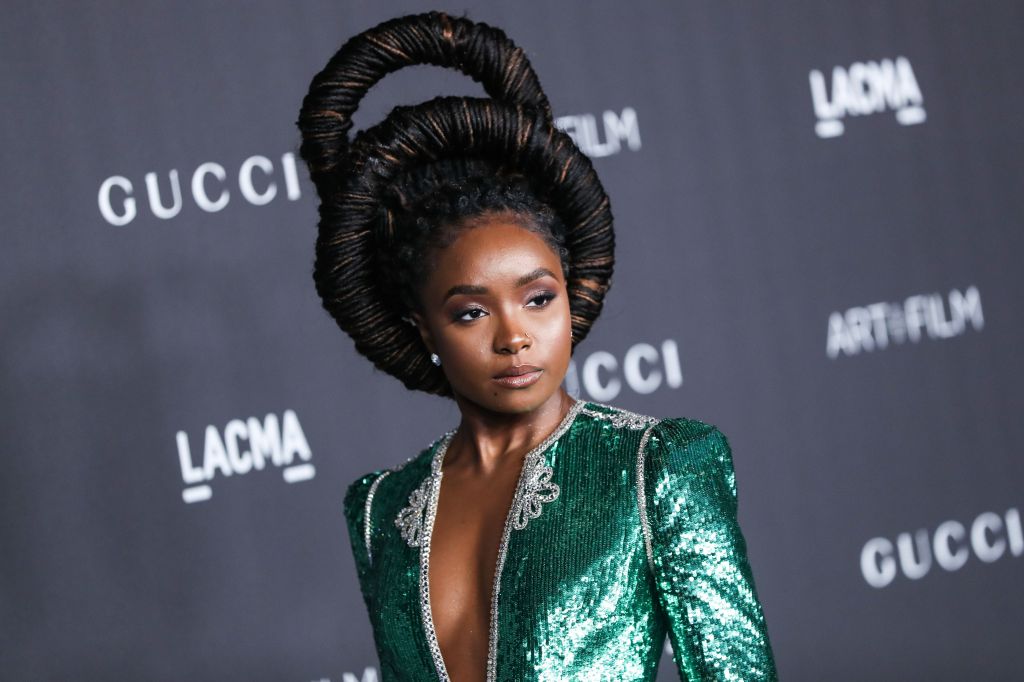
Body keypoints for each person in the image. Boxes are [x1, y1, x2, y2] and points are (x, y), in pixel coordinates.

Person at [296, 11, 778, 682]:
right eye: (470, 311)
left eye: (538, 297)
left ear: (569, 293)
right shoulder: (380, 509)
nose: (514, 335)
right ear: (421, 327)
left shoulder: (656, 466)